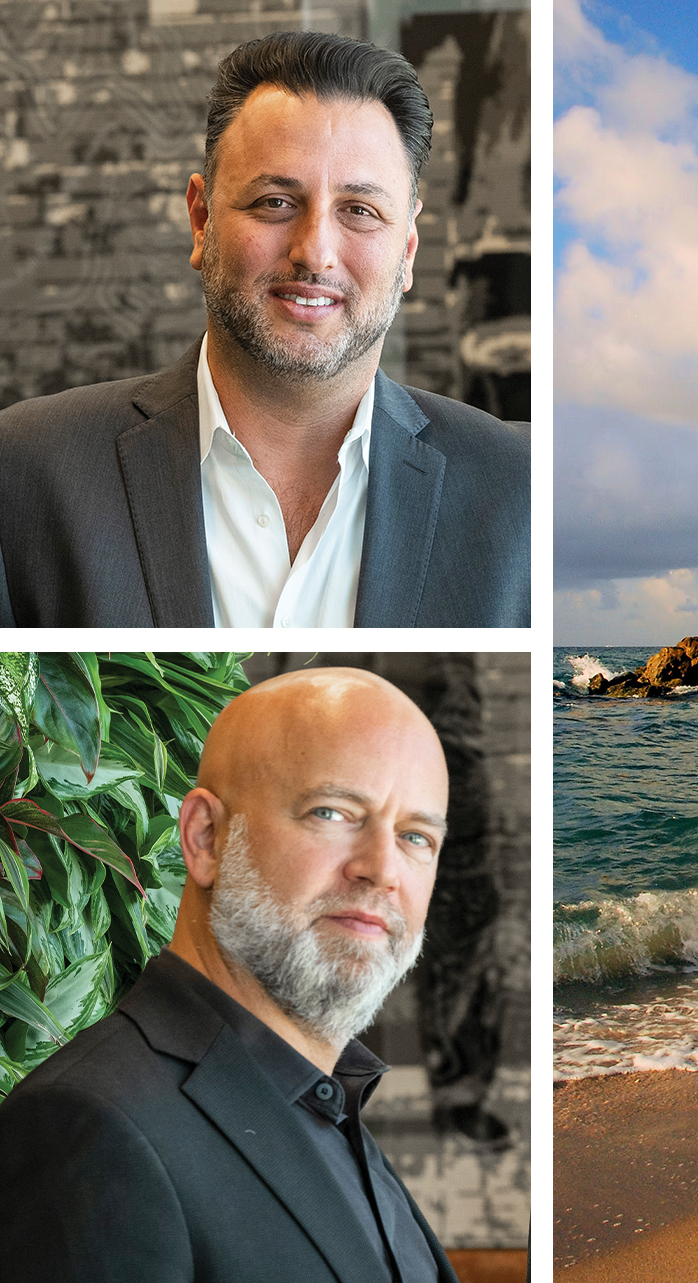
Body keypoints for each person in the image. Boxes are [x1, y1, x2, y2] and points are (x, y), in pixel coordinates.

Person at [0, 32, 529, 627]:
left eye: (359, 210)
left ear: (407, 252)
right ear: (201, 221)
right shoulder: (23, 469)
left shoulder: (522, 488)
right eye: (275, 202)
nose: (316, 253)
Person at [0, 668, 459, 1281]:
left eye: (415, 837)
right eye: (331, 812)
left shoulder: (323, 1104)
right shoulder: (86, 1128)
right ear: (206, 838)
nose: (382, 869)